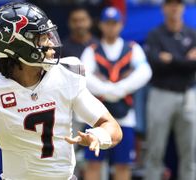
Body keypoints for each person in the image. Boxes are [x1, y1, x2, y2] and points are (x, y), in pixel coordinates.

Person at [0, 2, 123, 180]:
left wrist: (99, 136)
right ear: (18, 45)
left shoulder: (66, 75)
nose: (51, 43)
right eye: (42, 37)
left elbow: (112, 127)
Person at [80, 7, 152, 180]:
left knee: (123, 164)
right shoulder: (92, 50)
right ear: (101, 25)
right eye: (108, 23)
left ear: (121, 25)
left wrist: (120, 88)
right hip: (96, 116)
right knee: (94, 163)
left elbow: (145, 72)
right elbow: (84, 75)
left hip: (125, 115)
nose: (111, 27)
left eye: (115, 23)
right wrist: (109, 90)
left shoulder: (132, 48)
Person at [144, 0, 196, 179]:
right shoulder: (155, 34)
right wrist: (184, 59)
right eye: (170, 4)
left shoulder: (192, 33)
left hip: (188, 94)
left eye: (178, 4)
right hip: (161, 93)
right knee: (154, 150)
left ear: (183, 7)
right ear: (164, 7)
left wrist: (171, 59)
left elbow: (193, 65)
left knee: (190, 153)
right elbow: (154, 63)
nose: (174, 7)